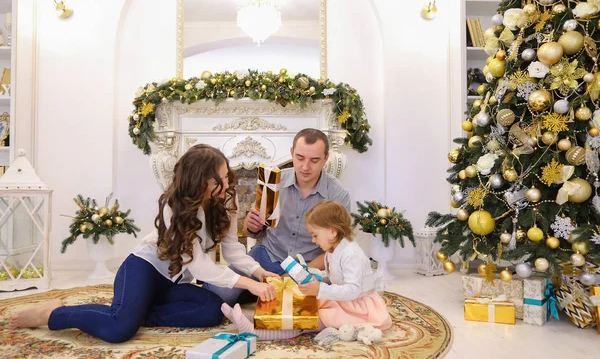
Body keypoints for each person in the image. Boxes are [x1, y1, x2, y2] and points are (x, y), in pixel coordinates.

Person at [9, 144, 278, 343]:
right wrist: (249, 284)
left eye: (226, 174)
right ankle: (53, 313)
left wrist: (258, 272)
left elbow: (231, 249)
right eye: (220, 177)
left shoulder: (226, 201)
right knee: (118, 330)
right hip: (144, 269)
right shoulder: (175, 206)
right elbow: (199, 266)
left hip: (174, 282)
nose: (227, 181)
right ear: (201, 181)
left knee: (211, 310)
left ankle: (136, 312)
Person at [203, 128, 350, 305]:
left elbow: (336, 250)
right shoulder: (273, 181)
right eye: (300, 158)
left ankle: (262, 293)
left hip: (309, 266)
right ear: (292, 153)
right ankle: (262, 290)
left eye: (314, 160)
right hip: (266, 256)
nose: (305, 167)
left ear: (326, 159)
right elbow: (252, 231)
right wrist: (251, 226)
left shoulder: (338, 195)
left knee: (309, 304)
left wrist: (299, 271)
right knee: (219, 294)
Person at [221, 200, 392, 340]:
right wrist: (317, 278)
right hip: (342, 298)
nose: (313, 240)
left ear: (332, 232)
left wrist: (320, 288)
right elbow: (333, 275)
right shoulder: (333, 249)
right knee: (303, 302)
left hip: (357, 306)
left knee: (308, 319)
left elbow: (352, 289)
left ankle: (255, 331)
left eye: (315, 235)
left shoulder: (351, 254)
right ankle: (255, 318)